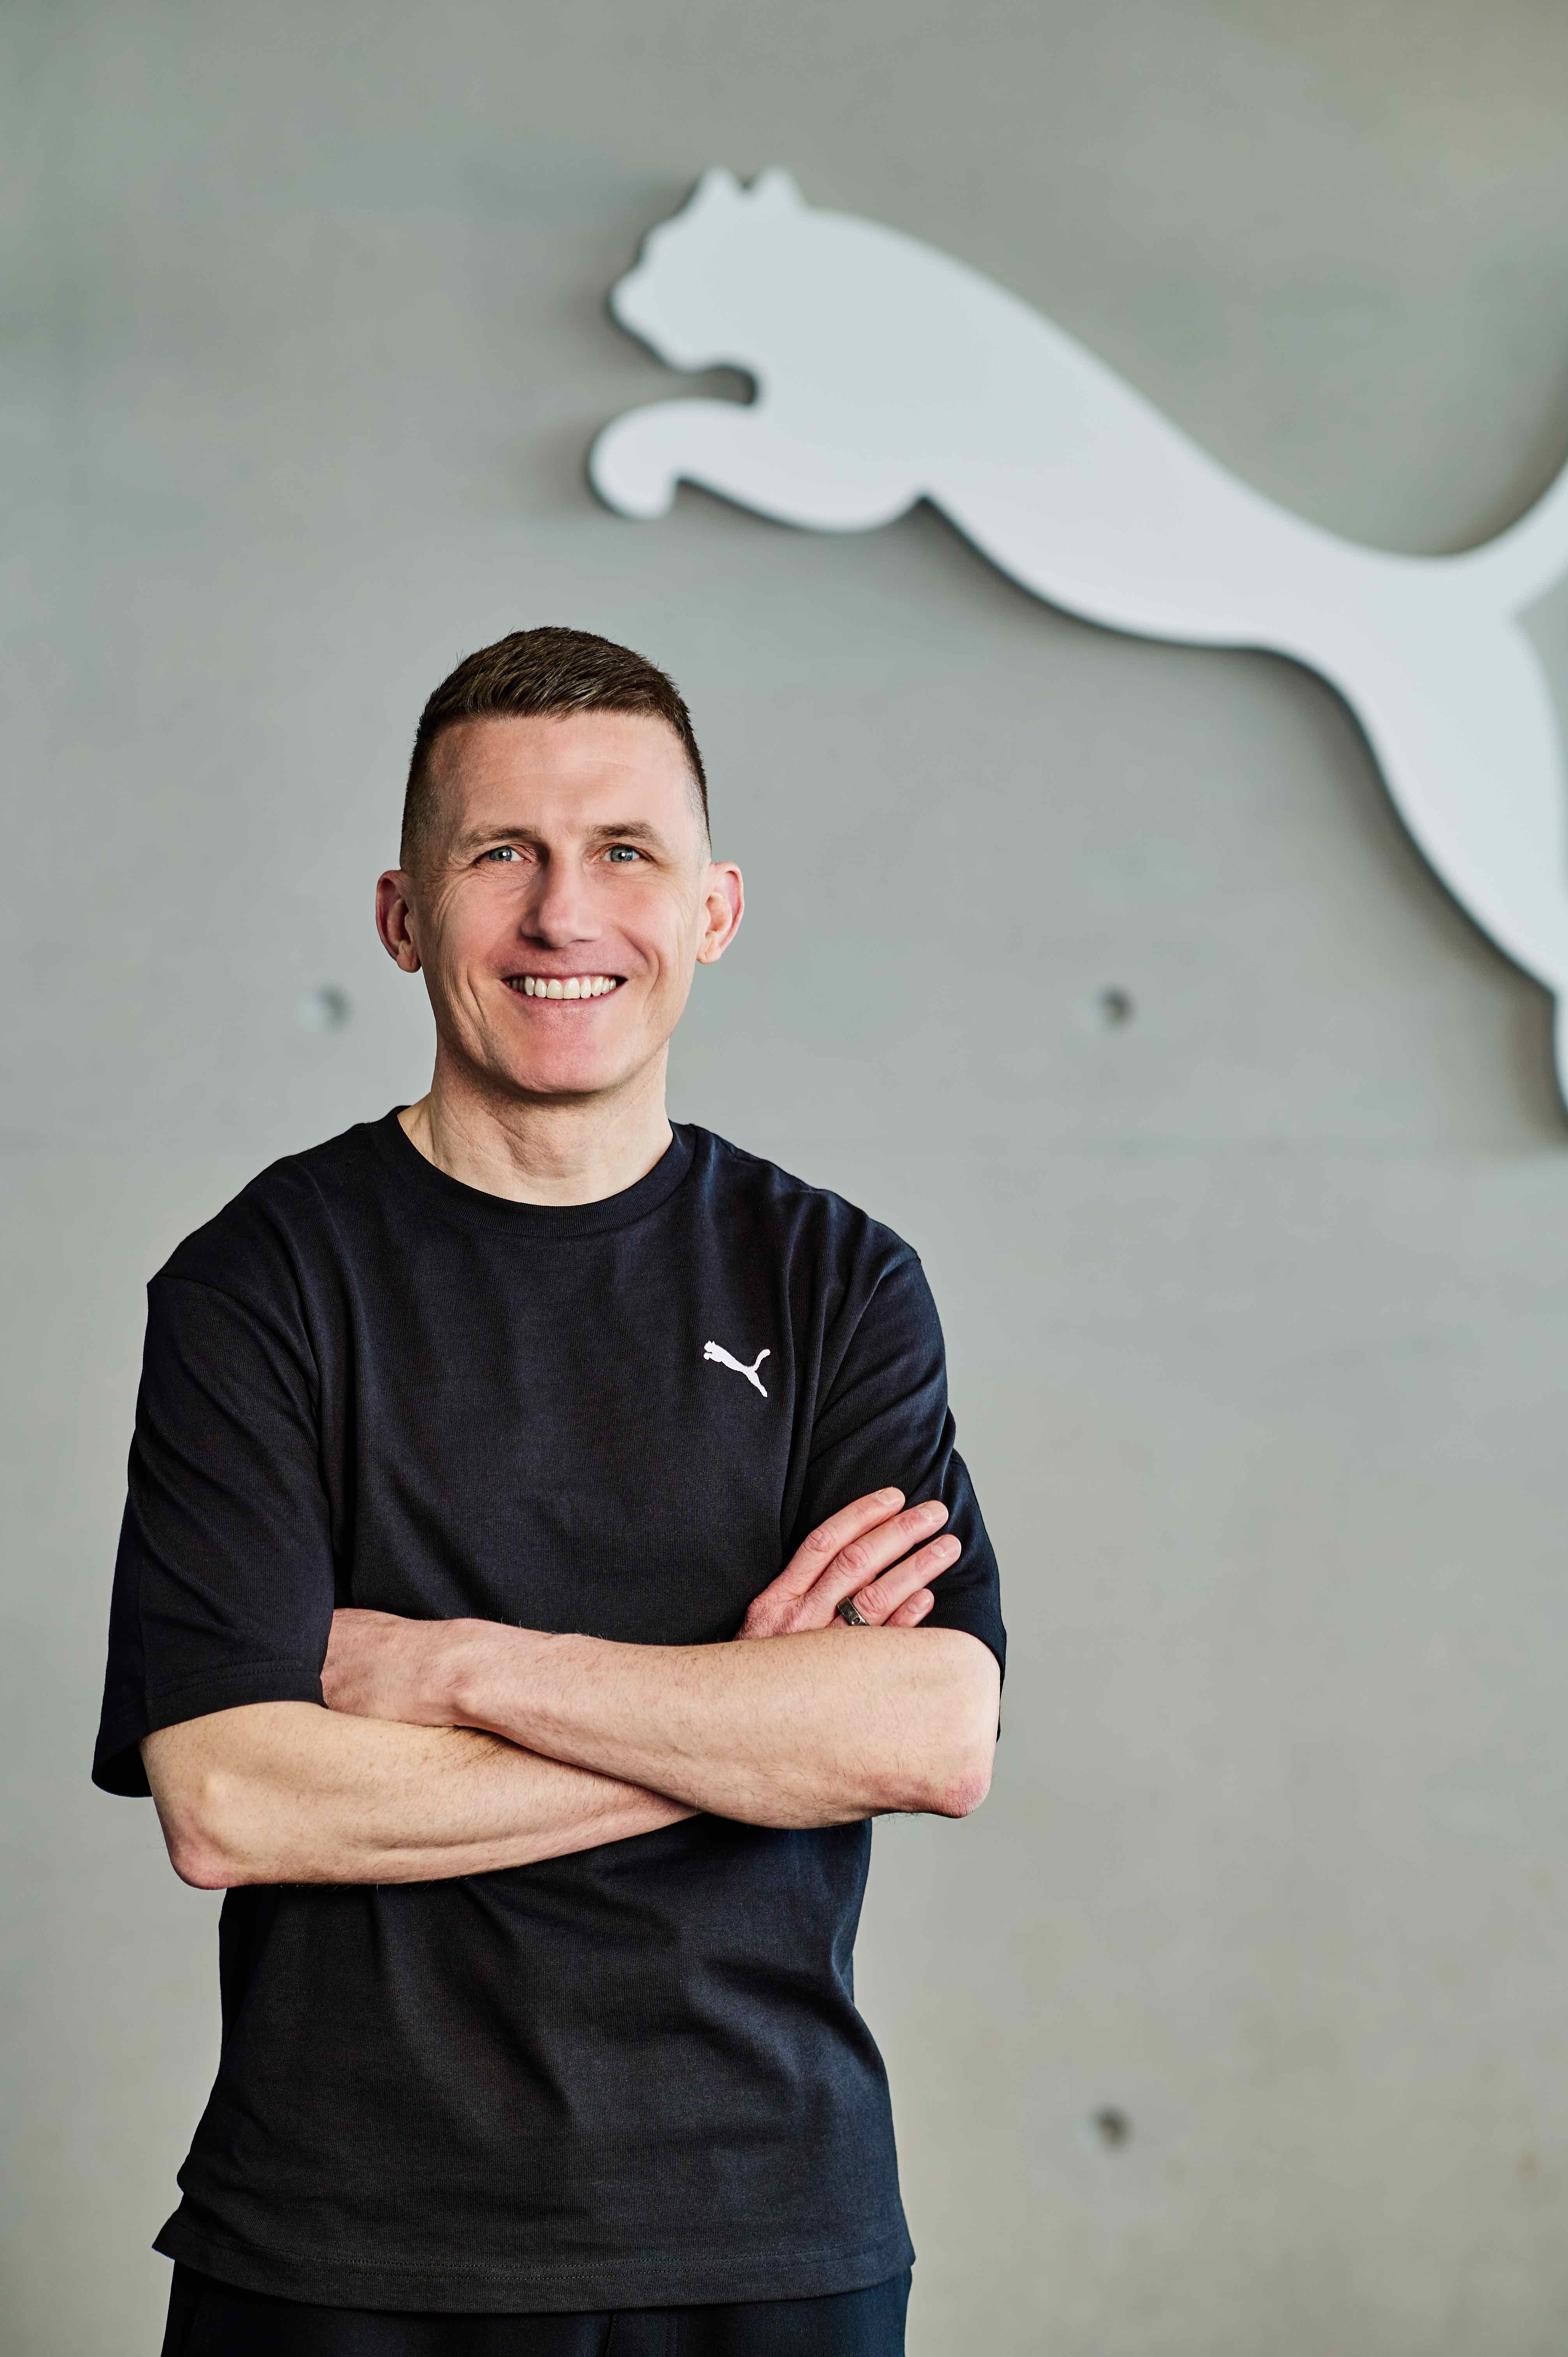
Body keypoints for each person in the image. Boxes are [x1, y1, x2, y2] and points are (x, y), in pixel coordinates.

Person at [94, 626, 1006, 2357]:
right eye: (500, 853)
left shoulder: (835, 1281)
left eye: (625, 853)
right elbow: (236, 1801)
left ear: (715, 910)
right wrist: (745, 1728)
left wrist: (452, 1669)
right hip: (346, 2249)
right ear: (402, 914)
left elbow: (930, 1733)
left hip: (770, 2231)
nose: (563, 914)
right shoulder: (261, 1284)